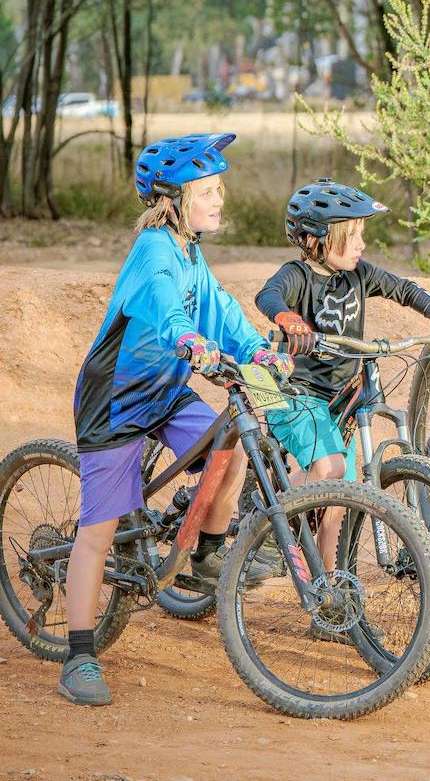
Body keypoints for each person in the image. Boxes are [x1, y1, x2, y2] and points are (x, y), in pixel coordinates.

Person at [59, 133, 289, 706]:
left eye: (219, 188)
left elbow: (220, 310)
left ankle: (207, 555)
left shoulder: (190, 251)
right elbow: (165, 310)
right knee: (99, 531)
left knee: (230, 443)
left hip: (165, 390)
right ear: (175, 199)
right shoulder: (155, 253)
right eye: (209, 190)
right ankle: (79, 653)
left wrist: (257, 351)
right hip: (116, 400)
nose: (220, 198)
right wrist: (191, 343)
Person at [255, 178, 430, 569]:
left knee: (343, 494)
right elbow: (267, 295)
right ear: (315, 239)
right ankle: (267, 512)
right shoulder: (297, 275)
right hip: (298, 393)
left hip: (341, 399)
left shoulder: (358, 274)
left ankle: (328, 586)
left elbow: (403, 289)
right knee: (333, 471)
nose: (361, 245)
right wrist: (287, 318)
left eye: (361, 235)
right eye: (351, 236)